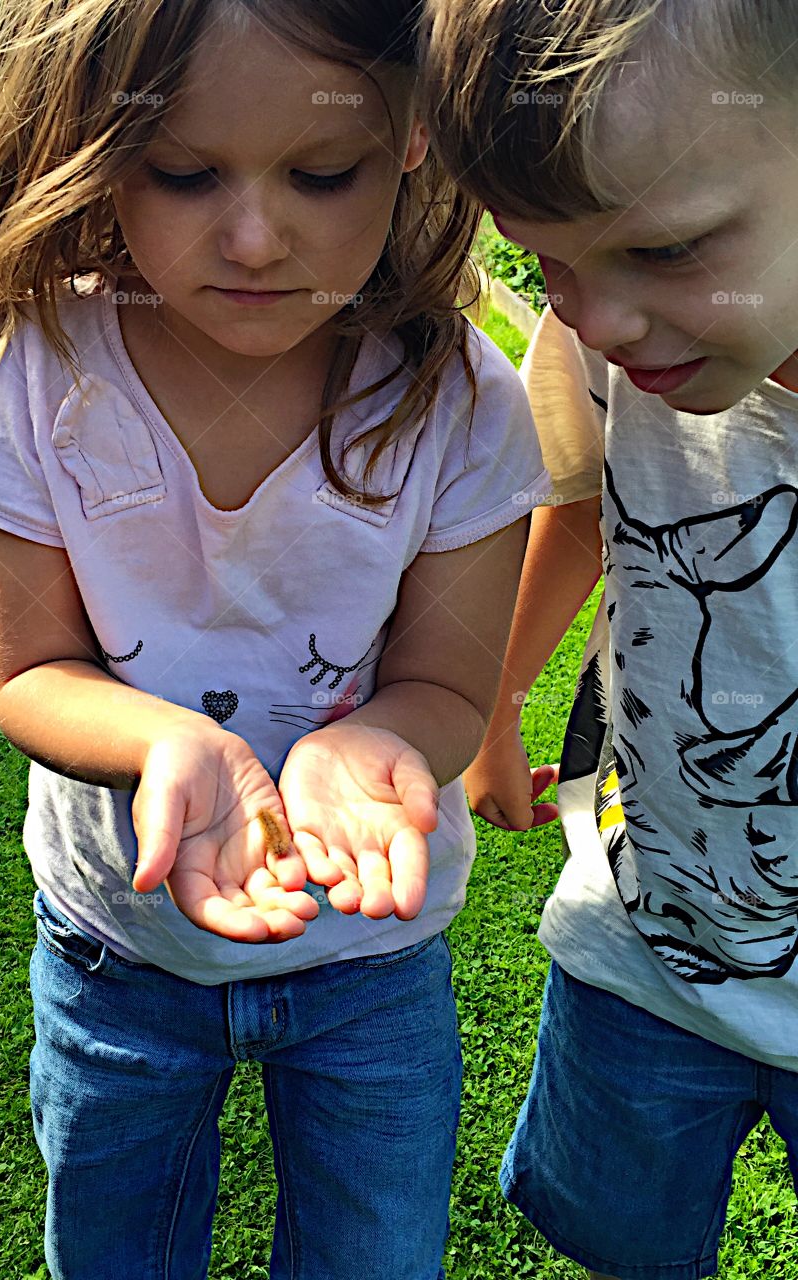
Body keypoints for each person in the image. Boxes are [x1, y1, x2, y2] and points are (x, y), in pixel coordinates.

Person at [0, 0, 551, 1275]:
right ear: (92, 142)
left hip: (371, 964)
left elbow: (442, 685)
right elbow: (29, 672)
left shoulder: (460, 401)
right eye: (185, 172)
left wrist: (364, 741)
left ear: (412, 136)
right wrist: (170, 747)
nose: (256, 237)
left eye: (323, 173)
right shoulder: (32, 379)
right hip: (117, 954)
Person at [421, 1, 798, 1277]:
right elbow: (578, 513)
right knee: (617, 1232)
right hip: (641, 942)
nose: (603, 320)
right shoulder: (603, 347)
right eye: (548, 264)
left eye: (669, 249)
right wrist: (492, 700)